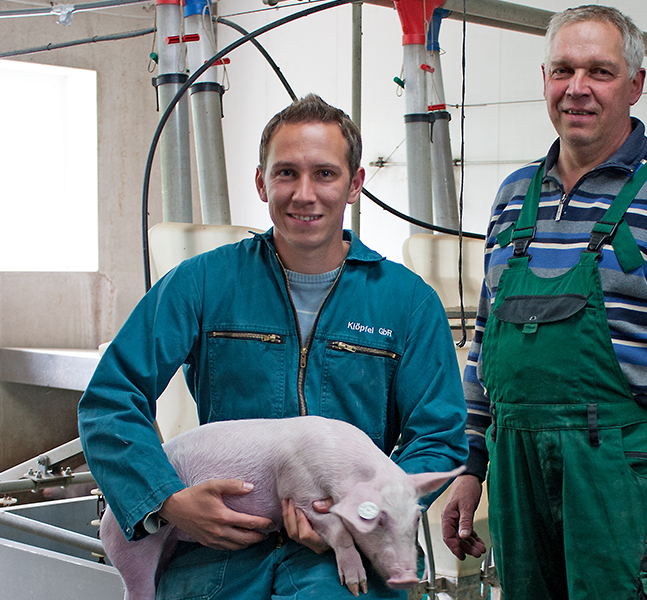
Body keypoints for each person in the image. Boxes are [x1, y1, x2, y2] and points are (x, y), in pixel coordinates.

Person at [78, 93, 468, 599]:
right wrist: (167, 499)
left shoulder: (407, 301)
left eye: (325, 174)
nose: (304, 194)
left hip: (344, 565)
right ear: (262, 182)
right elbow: (111, 398)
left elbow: (437, 436)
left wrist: (358, 510)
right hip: (219, 554)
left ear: (354, 185)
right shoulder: (203, 282)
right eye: (286, 173)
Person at [441, 6, 647, 600]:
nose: (578, 89)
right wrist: (471, 466)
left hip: (628, 485)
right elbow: (486, 346)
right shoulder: (513, 198)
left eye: (601, 71)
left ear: (636, 85)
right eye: (563, 70)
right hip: (517, 477)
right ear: (544, 78)